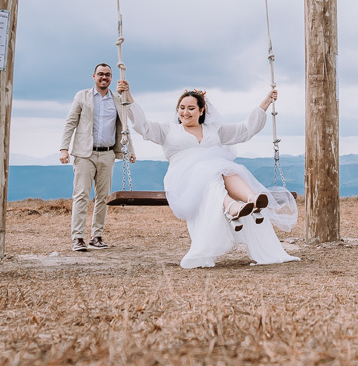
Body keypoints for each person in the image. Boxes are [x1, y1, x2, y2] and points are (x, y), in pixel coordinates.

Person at [117, 80, 299, 268]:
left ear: (202, 110)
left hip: (217, 172)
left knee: (229, 170)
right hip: (184, 179)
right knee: (214, 171)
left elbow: (244, 130)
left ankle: (252, 200)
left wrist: (266, 103)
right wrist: (128, 96)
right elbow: (143, 126)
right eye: (181, 108)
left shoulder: (214, 130)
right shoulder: (168, 130)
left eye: (190, 108)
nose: (184, 112)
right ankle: (231, 207)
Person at [59, 63, 134, 252]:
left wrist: (130, 150)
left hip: (108, 153)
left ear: (111, 78)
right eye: (100, 74)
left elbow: (124, 126)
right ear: (93, 76)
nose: (104, 77)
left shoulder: (117, 99)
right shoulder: (82, 96)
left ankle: (96, 236)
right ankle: (78, 238)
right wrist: (63, 148)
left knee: (103, 197)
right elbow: (70, 123)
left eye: (108, 75)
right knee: (81, 195)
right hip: (85, 153)